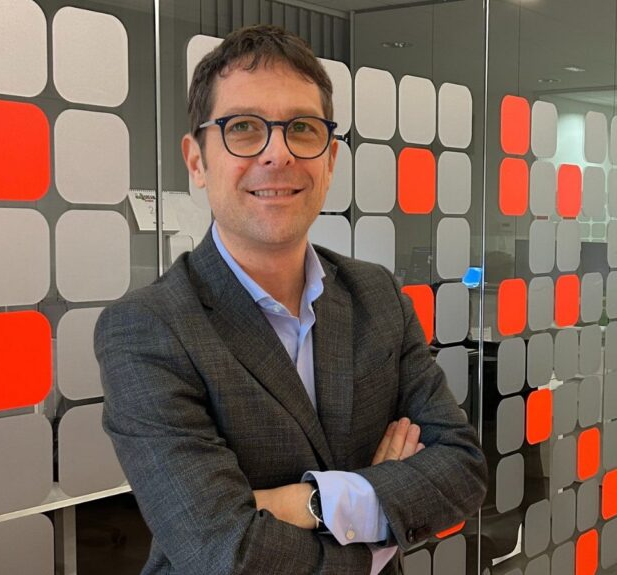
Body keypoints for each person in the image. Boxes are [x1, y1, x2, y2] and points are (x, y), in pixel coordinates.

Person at [95, 24, 487, 575]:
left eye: (302, 128)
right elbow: (225, 552)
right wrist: (377, 536)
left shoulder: (377, 297)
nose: (277, 154)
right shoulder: (148, 328)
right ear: (197, 161)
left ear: (330, 160)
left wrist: (310, 503)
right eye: (243, 128)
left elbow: (462, 469)